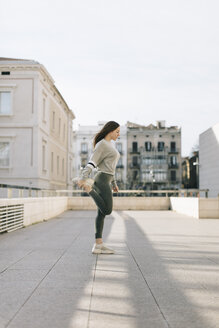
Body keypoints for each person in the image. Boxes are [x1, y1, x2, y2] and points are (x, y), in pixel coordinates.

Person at [75, 121, 120, 254]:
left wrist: (114, 183)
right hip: (101, 180)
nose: (118, 134)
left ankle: (98, 245)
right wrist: (83, 178)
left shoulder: (109, 145)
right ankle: (89, 190)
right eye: (117, 131)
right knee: (107, 210)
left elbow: (111, 167)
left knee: (101, 213)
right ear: (110, 130)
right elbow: (92, 162)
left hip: (107, 179)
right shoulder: (102, 145)